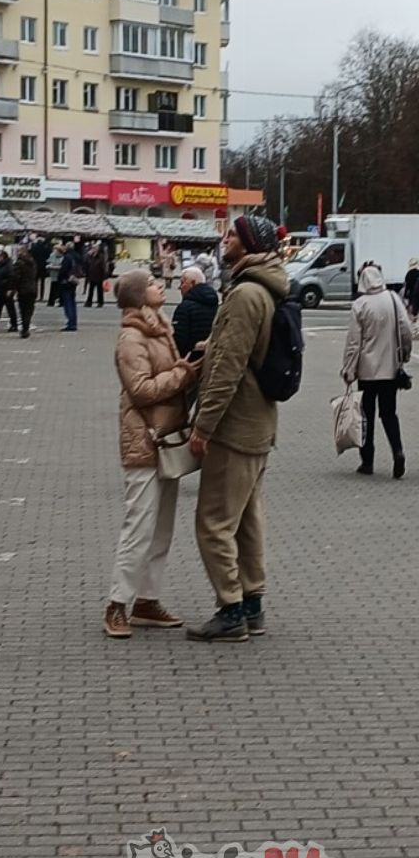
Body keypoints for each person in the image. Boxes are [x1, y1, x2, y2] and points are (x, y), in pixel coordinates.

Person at [186, 215, 289, 642]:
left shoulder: (246, 293)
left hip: (235, 426)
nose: (224, 239)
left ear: (247, 245)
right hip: (258, 424)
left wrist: (203, 426)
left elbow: (229, 367)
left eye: (231, 234)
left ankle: (230, 610)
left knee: (213, 522)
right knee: (247, 520)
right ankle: (252, 605)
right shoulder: (265, 287)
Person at [104, 270, 200, 638]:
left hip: (166, 438)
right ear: (138, 296)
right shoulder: (132, 337)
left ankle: (146, 600)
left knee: (161, 528)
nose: (160, 286)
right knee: (139, 526)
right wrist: (183, 374)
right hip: (144, 439)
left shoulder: (159, 328)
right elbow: (141, 390)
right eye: (152, 284)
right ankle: (116, 604)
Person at [342, 263, 412, 478]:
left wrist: (349, 369)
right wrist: (404, 355)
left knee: (366, 416)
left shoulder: (360, 305)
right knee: (389, 413)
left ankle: (367, 461)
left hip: (367, 371)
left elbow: (354, 342)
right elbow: (406, 330)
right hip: (390, 369)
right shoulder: (393, 299)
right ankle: (397, 451)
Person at [172, 266, 220, 358]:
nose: (179, 287)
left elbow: (179, 340)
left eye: (182, 282)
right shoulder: (216, 304)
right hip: (211, 358)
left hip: (190, 359)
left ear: (192, 283)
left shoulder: (185, 307)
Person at [0, 246, 18, 332]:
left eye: (0, 257)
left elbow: (11, 277)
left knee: (9, 308)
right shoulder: (2, 265)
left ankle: (13, 324)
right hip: (0, 289)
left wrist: (10, 288)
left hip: (5, 289)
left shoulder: (8, 266)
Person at [12, 242, 38, 338]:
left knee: (23, 310)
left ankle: (24, 329)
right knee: (29, 309)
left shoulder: (19, 263)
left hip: (23, 289)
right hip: (32, 288)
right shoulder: (32, 262)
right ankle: (26, 327)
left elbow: (16, 277)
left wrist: (13, 288)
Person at [57, 240, 82, 331]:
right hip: (73, 281)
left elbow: (63, 270)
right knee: (72, 302)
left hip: (66, 282)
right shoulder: (76, 256)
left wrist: (60, 278)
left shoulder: (67, 257)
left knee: (68, 303)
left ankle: (71, 323)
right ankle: (73, 322)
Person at [84, 243, 108, 307]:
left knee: (99, 290)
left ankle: (100, 302)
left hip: (99, 275)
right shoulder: (90, 256)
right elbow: (86, 263)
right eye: (93, 248)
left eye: (95, 248)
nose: (93, 249)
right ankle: (89, 302)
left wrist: (105, 276)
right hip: (91, 275)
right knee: (91, 290)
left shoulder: (101, 256)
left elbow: (103, 266)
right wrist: (88, 255)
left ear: (98, 249)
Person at [31, 235, 52, 302]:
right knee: (42, 282)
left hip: (36, 266)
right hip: (43, 266)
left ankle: (35, 295)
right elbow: (48, 256)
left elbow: (31, 255)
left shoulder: (34, 247)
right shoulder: (46, 248)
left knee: (35, 282)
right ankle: (41, 296)